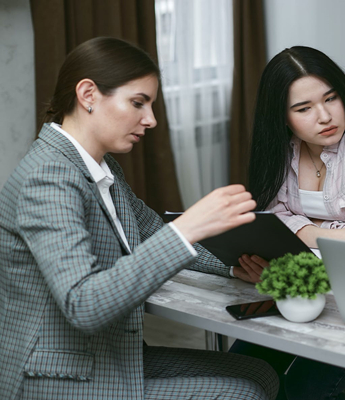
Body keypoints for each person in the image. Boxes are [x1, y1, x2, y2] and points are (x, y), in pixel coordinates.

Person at [0, 37, 278, 400]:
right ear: (88, 94)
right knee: (242, 393)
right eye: (137, 103)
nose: (151, 120)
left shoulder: (99, 165)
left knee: (260, 373)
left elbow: (150, 231)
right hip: (57, 376)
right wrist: (189, 226)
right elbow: (83, 304)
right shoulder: (49, 177)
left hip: (104, 356)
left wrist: (232, 266)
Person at [231, 46, 345, 400]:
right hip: (308, 291)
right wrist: (332, 233)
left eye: (331, 99)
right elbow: (273, 220)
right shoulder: (283, 149)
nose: (324, 116)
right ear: (282, 116)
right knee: (242, 370)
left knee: (305, 388)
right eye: (304, 109)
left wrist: (290, 254)